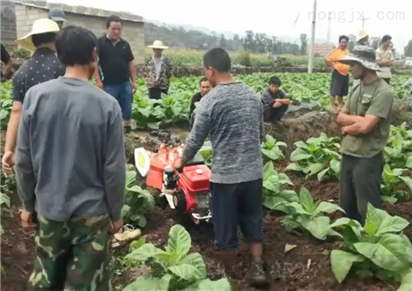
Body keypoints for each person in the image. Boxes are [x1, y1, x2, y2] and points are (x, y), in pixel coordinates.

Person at [15, 25, 125, 290]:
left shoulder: (35, 97)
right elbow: (114, 169)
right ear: (94, 55)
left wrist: (27, 204)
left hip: (49, 210)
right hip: (92, 215)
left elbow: (23, 159)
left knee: (45, 279)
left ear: (60, 57)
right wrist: (116, 212)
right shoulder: (107, 104)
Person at [174, 48, 268, 286]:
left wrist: (181, 162)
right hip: (253, 174)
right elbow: (260, 135)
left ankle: (229, 277)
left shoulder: (209, 101)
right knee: (253, 219)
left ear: (210, 70)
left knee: (225, 228)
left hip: (225, 177)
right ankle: (257, 267)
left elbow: (195, 140)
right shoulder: (253, 96)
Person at [336, 45, 394, 225]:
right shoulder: (357, 88)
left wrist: (347, 128)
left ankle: (372, 245)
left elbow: (365, 127)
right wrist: (358, 121)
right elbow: (340, 117)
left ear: (365, 65)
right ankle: (352, 243)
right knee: (346, 205)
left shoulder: (383, 91)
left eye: (353, 64)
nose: (350, 68)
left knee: (367, 208)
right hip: (349, 153)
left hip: (367, 157)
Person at [2, 19, 64, 175]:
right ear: (56, 40)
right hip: (61, 135)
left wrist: (8, 150)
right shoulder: (64, 67)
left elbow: (16, 112)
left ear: (34, 41)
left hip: (31, 138)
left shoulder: (21, 73)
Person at [94, 15, 137, 134]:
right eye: (114, 29)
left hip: (124, 83)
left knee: (127, 107)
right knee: (109, 109)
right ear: (108, 28)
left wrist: (134, 81)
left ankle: (128, 131)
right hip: (108, 84)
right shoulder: (100, 43)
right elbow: (94, 62)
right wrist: (98, 81)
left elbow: (131, 62)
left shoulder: (125, 44)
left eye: (119, 29)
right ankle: (110, 132)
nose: (116, 31)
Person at [325, 35, 350, 113]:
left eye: (345, 42)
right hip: (337, 73)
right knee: (334, 90)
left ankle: (340, 105)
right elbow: (326, 59)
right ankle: (332, 106)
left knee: (341, 91)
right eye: (342, 42)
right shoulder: (336, 51)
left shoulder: (347, 51)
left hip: (345, 73)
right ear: (339, 43)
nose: (344, 44)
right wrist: (332, 65)